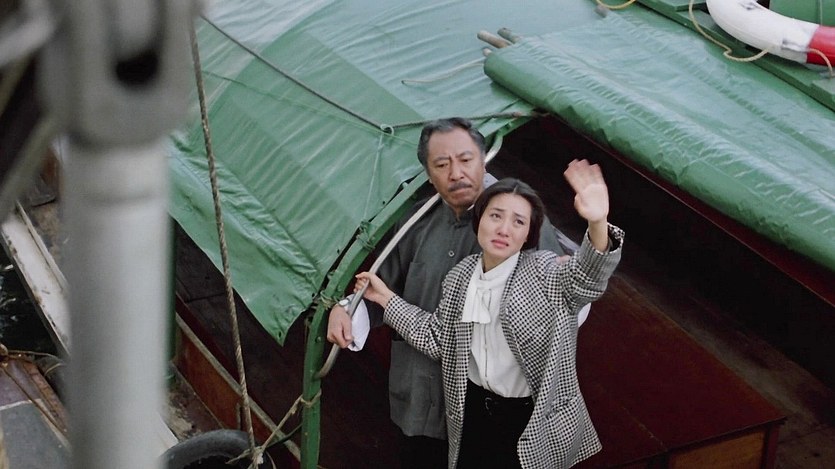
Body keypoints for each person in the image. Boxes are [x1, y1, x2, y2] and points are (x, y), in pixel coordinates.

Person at [326, 117, 577, 468]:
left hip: (486, 411)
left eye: (466, 160)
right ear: (429, 175)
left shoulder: (521, 223)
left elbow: (557, 305)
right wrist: (346, 309)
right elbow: (381, 285)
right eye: (442, 165)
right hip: (419, 399)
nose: (456, 173)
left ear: (483, 160)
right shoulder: (414, 222)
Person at [355, 166, 624, 468]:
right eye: (496, 216)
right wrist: (386, 299)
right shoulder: (461, 277)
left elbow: (587, 278)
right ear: (479, 220)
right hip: (471, 415)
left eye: (518, 221)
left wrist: (597, 222)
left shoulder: (545, 272)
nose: (504, 229)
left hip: (526, 420)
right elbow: (437, 338)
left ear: (528, 234)